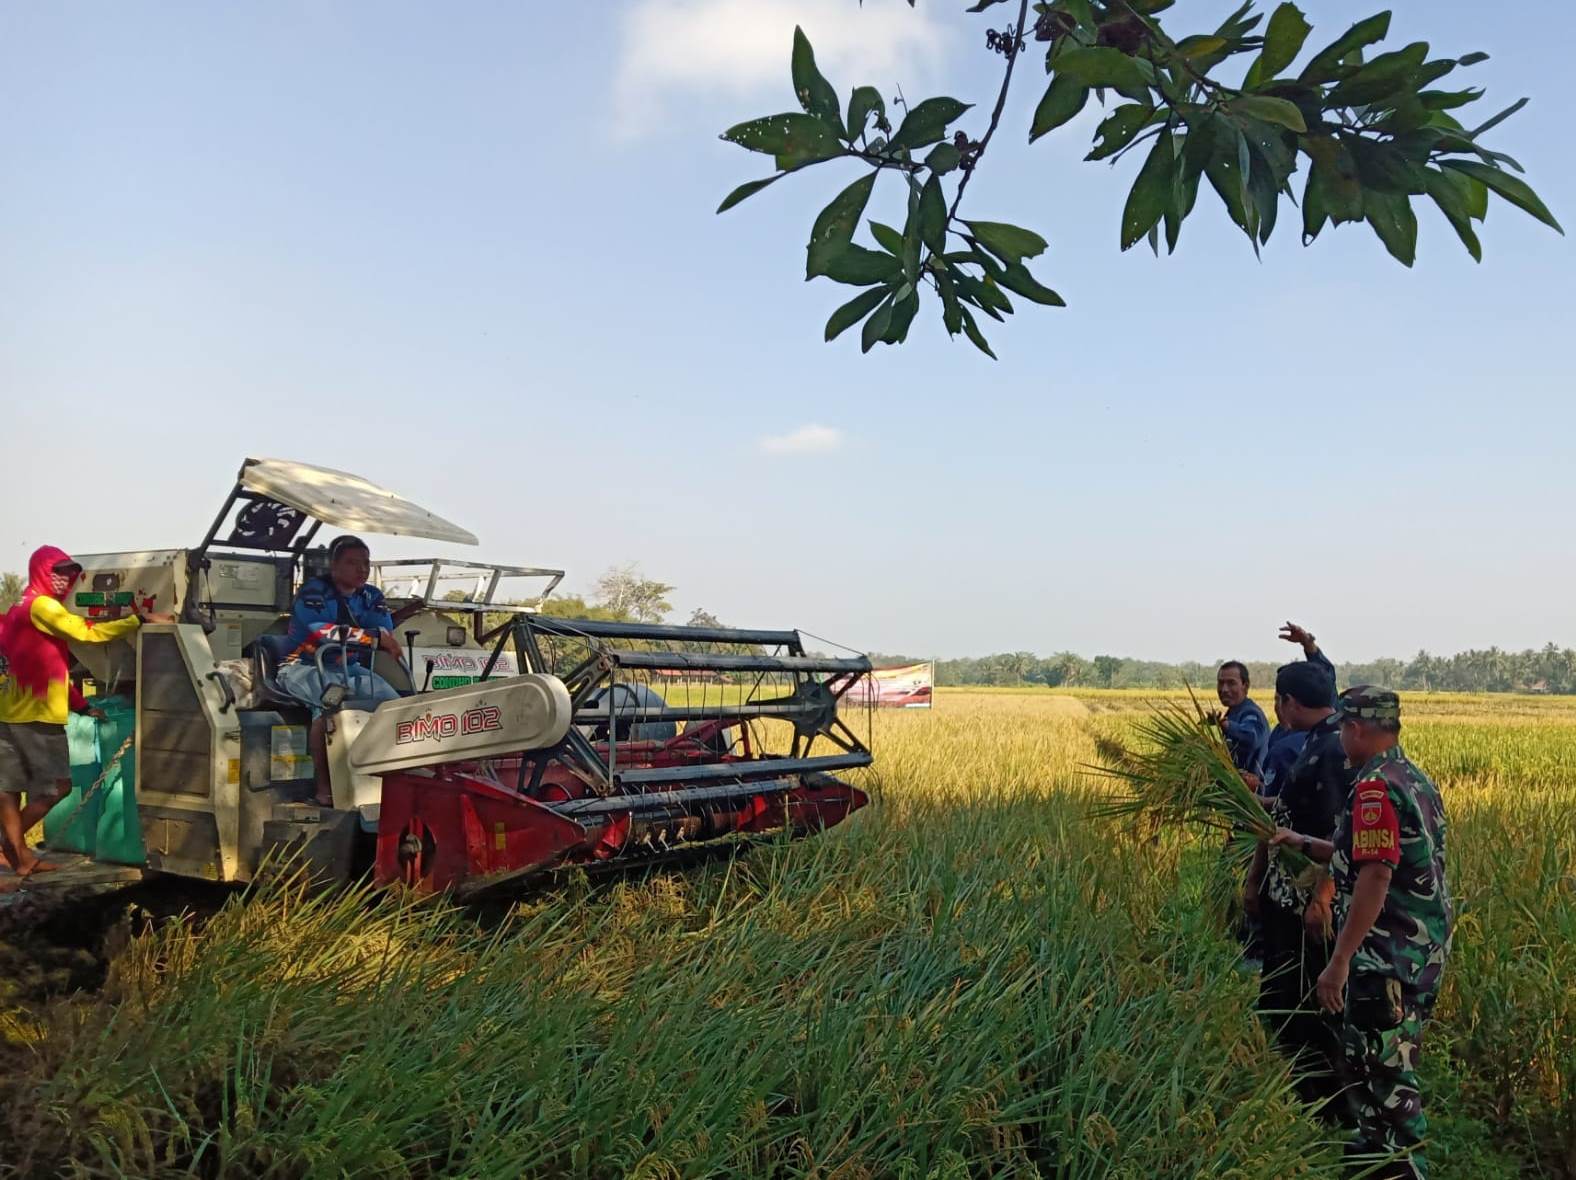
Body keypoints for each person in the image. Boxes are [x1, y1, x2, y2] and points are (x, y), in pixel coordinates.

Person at [1272, 687, 1453, 1179]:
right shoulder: (1412, 777)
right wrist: (1304, 842)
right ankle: (1375, 1155)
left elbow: (1375, 875)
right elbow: (1363, 853)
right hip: (1419, 951)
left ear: (1355, 729)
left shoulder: (1375, 787)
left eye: (1343, 732)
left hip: (1385, 955)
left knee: (1386, 1074)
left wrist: (1339, 961)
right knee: (1380, 1062)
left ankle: (1397, 1166)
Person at [0, 546, 169, 879]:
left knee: (8, 788)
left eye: (68, 573)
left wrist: (82, 705)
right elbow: (85, 632)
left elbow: (45, 668)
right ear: (40, 572)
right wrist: (140, 619)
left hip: (10, 712)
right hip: (35, 716)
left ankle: (17, 856)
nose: (64, 580)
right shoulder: (42, 606)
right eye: (57, 572)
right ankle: (10, 847)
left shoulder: (19, 609)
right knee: (57, 787)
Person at [1245, 656, 1349, 1110]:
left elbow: (1340, 836)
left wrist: (1321, 899)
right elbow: (1289, 809)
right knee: (1286, 997)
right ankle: (1303, 1094)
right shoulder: (1320, 740)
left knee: (1302, 1003)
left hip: (1305, 904)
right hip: (1287, 897)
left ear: (1287, 703)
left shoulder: (1330, 750)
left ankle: (1319, 1102)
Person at [278, 535, 423, 805]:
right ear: (334, 566)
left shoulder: (371, 595)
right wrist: (373, 638)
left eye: (366, 563)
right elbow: (323, 632)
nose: (362, 569)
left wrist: (375, 637)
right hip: (303, 667)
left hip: (352, 667)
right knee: (330, 708)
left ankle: (394, 783)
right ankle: (325, 789)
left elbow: (383, 631)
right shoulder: (313, 592)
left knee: (394, 707)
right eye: (352, 563)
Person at [1262, 622, 1336, 797]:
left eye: (1279, 699)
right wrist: (1308, 645)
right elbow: (1324, 679)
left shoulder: (1286, 750)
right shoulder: (1350, 734)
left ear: (1289, 701)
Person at [1215, 660, 1268, 783]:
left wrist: (1225, 725)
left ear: (1245, 685)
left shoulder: (1250, 713)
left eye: (1231, 683)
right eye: (1221, 683)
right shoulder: (1233, 712)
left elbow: (1251, 737)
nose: (1224, 689)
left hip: (1251, 795)